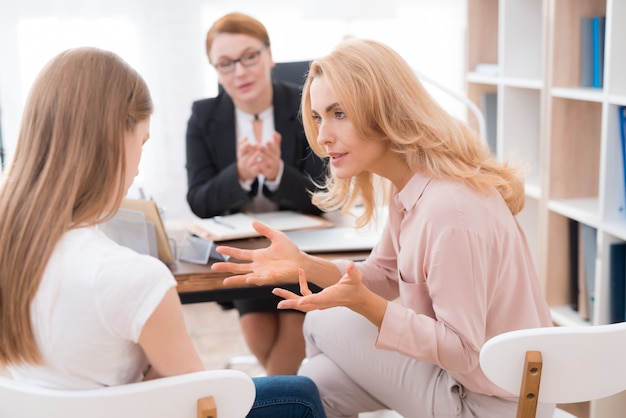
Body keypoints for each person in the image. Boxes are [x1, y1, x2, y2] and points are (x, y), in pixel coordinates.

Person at [211, 38, 556, 418]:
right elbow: (386, 273)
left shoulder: (449, 211)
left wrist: (365, 305)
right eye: (319, 117)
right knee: (317, 387)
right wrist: (303, 264)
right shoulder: (413, 186)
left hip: (490, 404)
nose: (323, 136)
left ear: (385, 109)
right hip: (464, 379)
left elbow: (462, 349)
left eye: (339, 113)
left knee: (322, 324)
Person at [0, 46, 327, 418]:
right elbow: (203, 404)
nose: (138, 168)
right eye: (142, 142)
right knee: (299, 394)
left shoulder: (12, 244)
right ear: (113, 138)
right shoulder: (133, 277)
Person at [185, 12, 325, 376]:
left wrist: (278, 172)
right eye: (226, 64)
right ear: (216, 70)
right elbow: (198, 200)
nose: (240, 72)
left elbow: (325, 193)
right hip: (248, 253)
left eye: (250, 56)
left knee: (295, 327)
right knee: (257, 331)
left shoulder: (306, 105)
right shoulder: (203, 116)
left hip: (302, 251)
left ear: (269, 55)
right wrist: (240, 176)